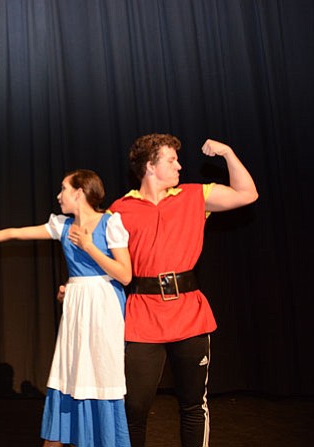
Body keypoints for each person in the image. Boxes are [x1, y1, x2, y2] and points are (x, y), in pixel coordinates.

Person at [0, 169, 132, 447]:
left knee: (100, 373)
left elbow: (125, 275)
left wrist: (90, 247)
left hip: (104, 306)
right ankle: (60, 437)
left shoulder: (110, 224)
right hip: (77, 305)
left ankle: (102, 437)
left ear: (79, 192)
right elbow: (15, 233)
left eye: (63, 189)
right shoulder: (63, 226)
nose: (59, 196)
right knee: (70, 371)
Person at [108, 134, 259, 447]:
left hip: (189, 314)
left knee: (193, 404)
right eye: (171, 159)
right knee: (134, 407)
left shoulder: (195, 195)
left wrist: (228, 153)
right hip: (142, 317)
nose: (180, 164)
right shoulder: (120, 209)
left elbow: (247, 194)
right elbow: (106, 263)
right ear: (150, 166)